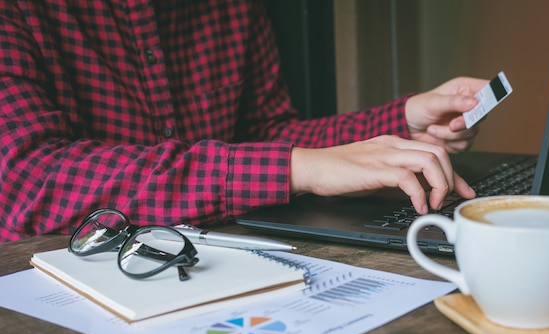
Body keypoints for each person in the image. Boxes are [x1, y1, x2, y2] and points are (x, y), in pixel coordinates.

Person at [0, 0, 486, 243]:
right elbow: (29, 178)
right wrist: (299, 168)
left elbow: (267, 135)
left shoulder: (233, 7)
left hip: (213, 264)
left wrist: (402, 122)